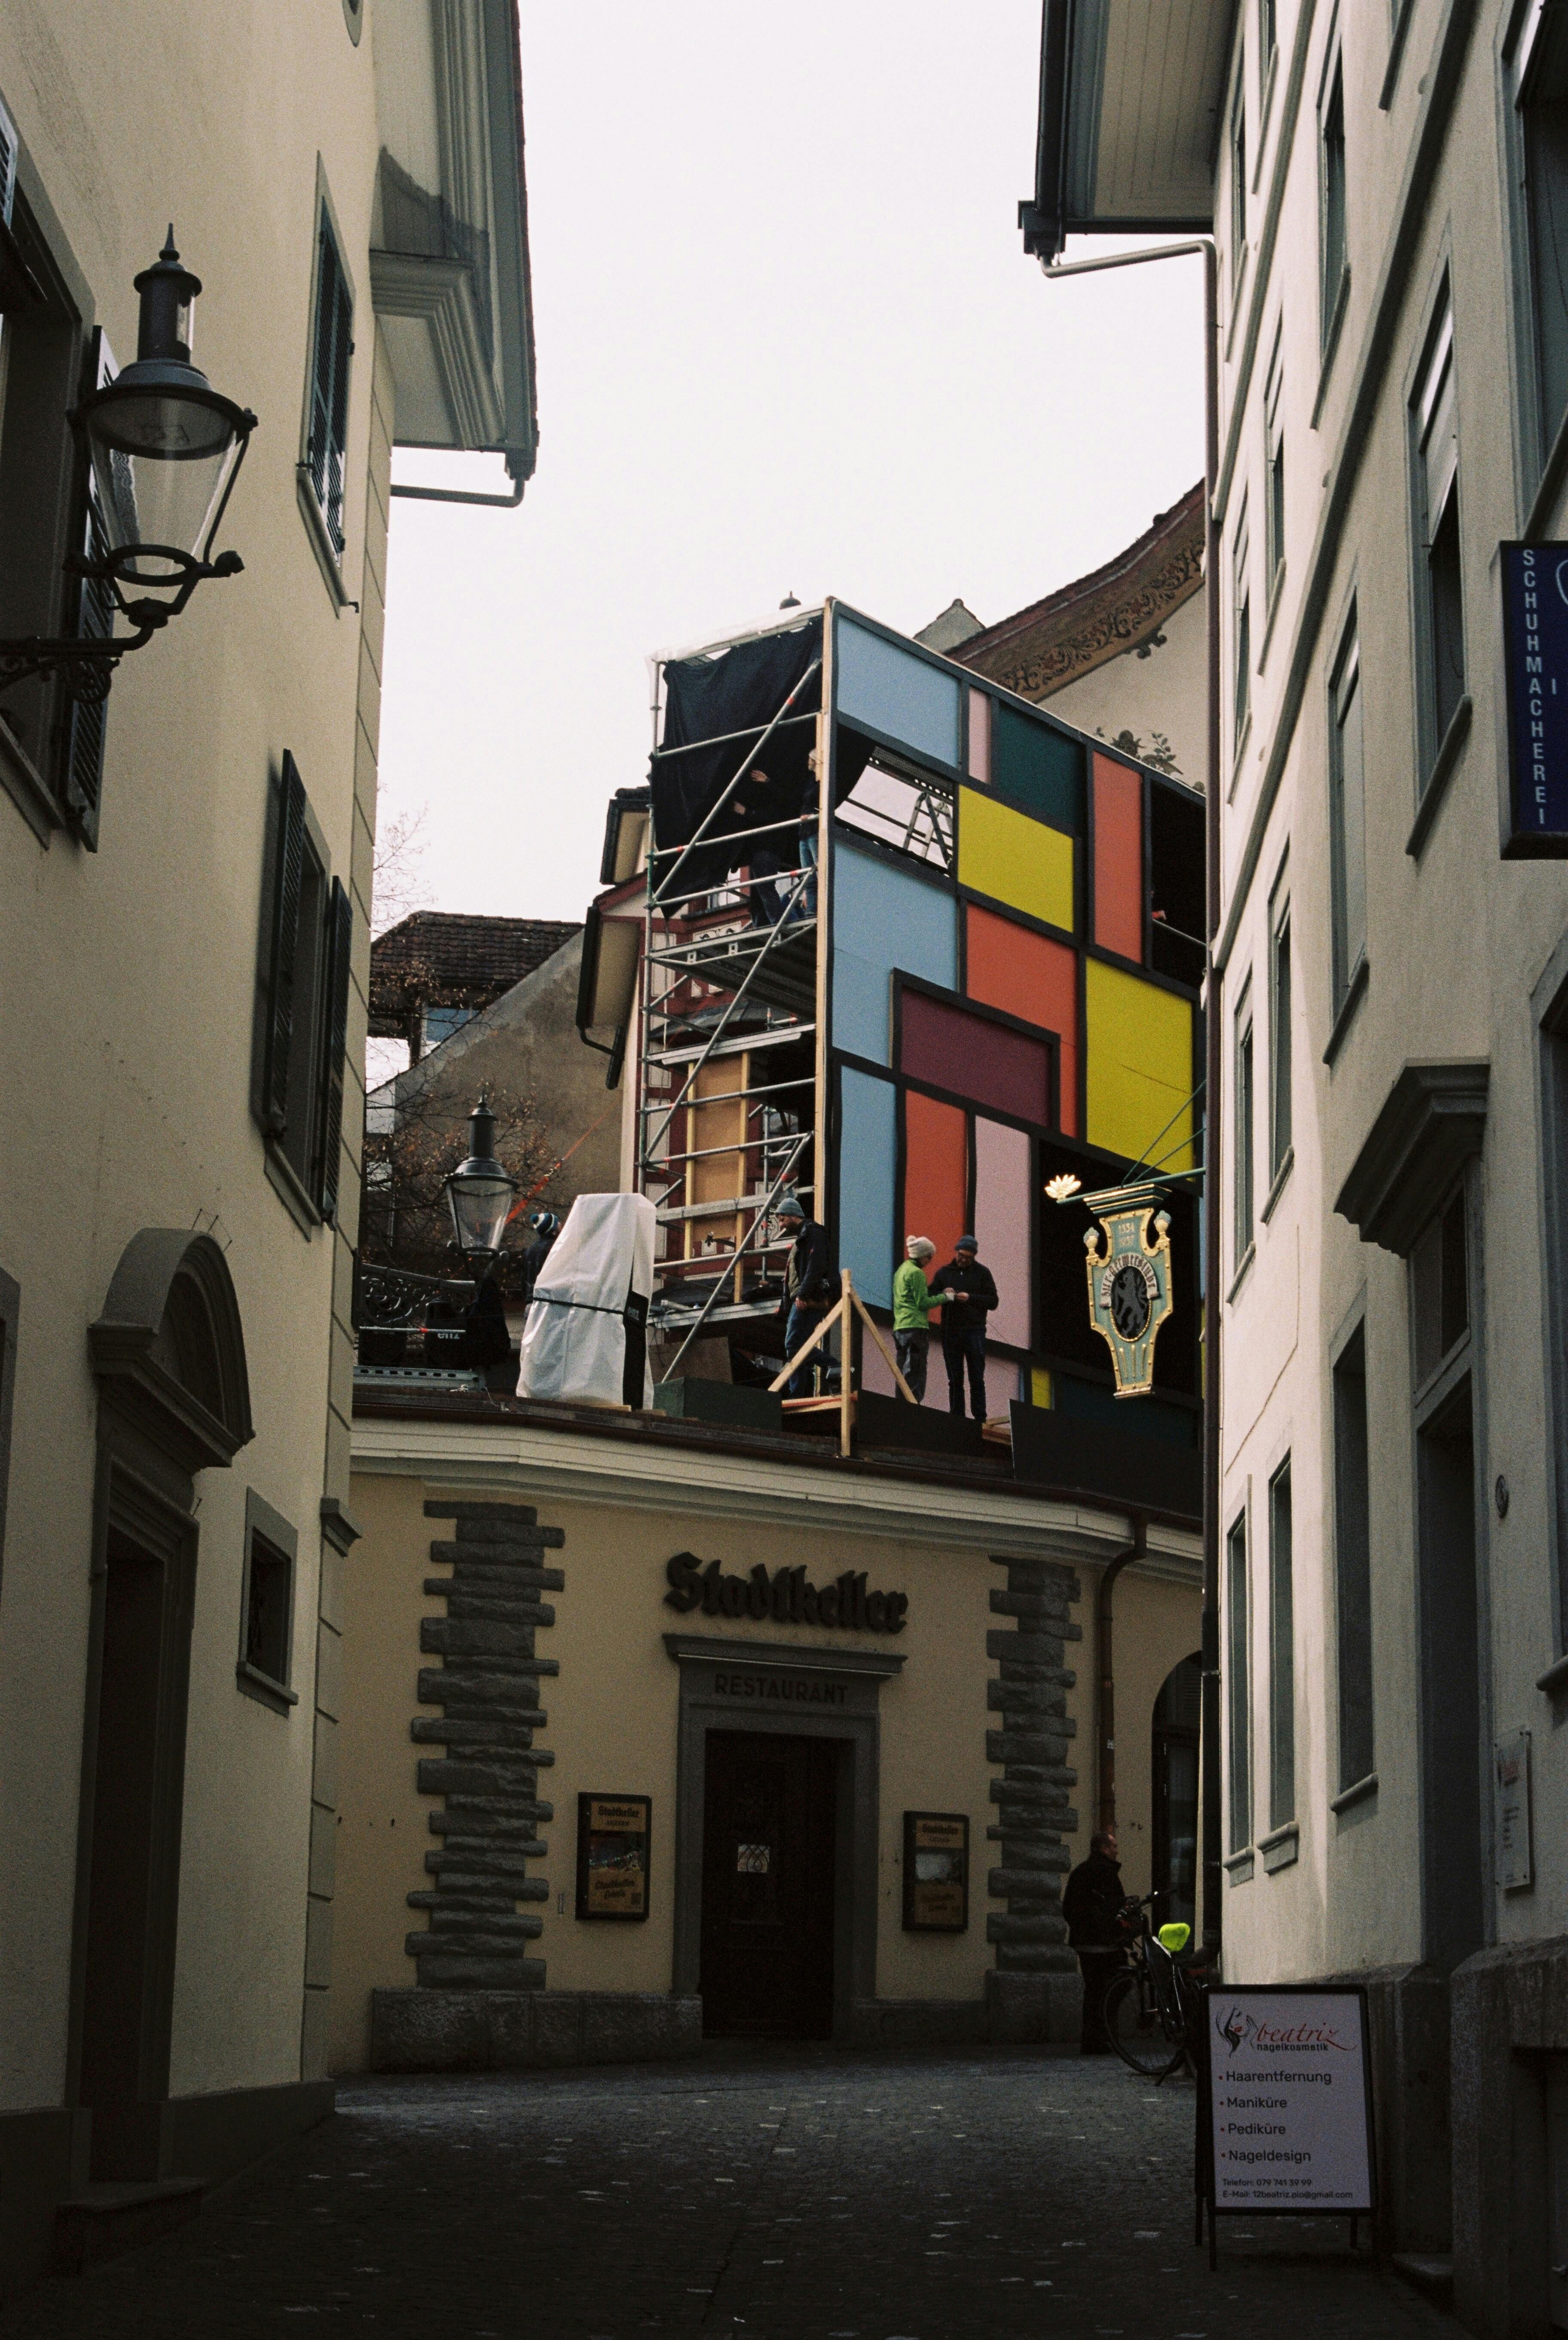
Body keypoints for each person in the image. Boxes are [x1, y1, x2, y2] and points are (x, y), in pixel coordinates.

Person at [1063, 1828, 1126, 2054]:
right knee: (1117, 1984)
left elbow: (1069, 1908)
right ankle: (1104, 2037)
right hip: (1104, 1943)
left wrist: (1082, 1929)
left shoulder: (1080, 1872)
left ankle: (1092, 2040)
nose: (1117, 1851)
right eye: (1114, 1846)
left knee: (1094, 1991)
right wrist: (1111, 1928)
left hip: (1084, 1943)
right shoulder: (1106, 1872)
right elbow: (1115, 1906)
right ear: (1104, 1848)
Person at [773, 1194, 834, 1396]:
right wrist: (786, 1305)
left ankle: (833, 1366)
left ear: (793, 1215)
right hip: (804, 1299)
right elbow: (794, 1276)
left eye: (782, 1219)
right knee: (799, 1346)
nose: (781, 1224)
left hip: (809, 1300)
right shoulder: (804, 1236)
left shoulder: (813, 1233)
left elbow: (816, 1266)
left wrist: (803, 1295)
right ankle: (799, 1390)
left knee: (793, 1345)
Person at [932, 1234, 998, 1420]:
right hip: (950, 1331)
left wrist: (970, 1298)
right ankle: (957, 1416)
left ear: (974, 1257)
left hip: (975, 1331)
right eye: (961, 1255)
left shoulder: (983, 1273)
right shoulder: (945, 1272)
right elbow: (931, 1292)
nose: (963, 1260)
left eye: (968, 1258)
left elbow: (993, 1301)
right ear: (957, 1252)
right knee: (955, 1378)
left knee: (977, 1376)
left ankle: (980, 1417)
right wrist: (944, 1293)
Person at [891, 1235, 939, 1401]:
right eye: (930, 1257)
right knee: (916, 1370)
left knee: (902, 1371)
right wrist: (947, 1297)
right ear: (923, 1256)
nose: (931, 1260)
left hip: (900, 1327)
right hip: (916, 1327)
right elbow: (923, 1303)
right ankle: (913, 1406)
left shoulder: (901, 1271)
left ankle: (902, 1404)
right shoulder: (917, 1273)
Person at [521, 1210, 560, 1308]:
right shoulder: (555, 1248)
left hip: (531, 1302)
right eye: (557, 1222)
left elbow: (524, 1279)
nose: (560, 1224)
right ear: (553, 1230)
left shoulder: (530, 1250)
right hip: (549, 1303)